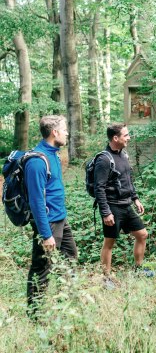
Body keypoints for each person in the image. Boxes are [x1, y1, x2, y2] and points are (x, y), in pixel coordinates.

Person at [24, 115, 77, 317]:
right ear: (54, 132)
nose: (67, 133)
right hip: (48, 223)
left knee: (70, 258)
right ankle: (35, 315)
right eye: (64, 129)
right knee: (42, 268)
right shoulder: (37, 161)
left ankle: (67, 305)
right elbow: (36, 201)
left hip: (60, 219)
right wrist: (46, 235)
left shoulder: (53, 154)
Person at [94, 123, 148, 283]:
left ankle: (138, 269)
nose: (129, 138)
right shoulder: (104, 160)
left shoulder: (123, 155)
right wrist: (105, 212)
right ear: (115, 138)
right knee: (109, 243)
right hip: (112, 206)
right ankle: (106, 279)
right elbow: (99, 188)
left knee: (142, 234)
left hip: (126, 204)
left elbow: (127, 180)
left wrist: (135, 198)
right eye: (126, 135)